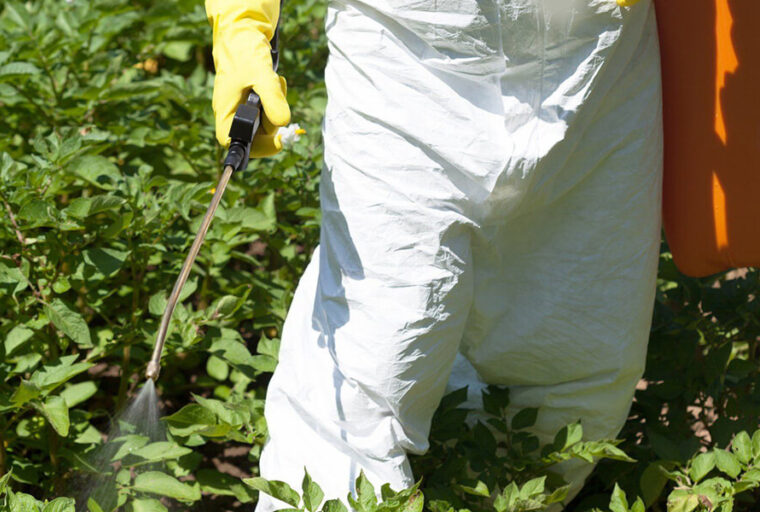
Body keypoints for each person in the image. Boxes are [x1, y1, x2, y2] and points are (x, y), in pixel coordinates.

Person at [206, 0, 662, 509]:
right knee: (368, 364)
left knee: (576, 361)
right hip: (409, 53)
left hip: (599, 59)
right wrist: (242, 20)